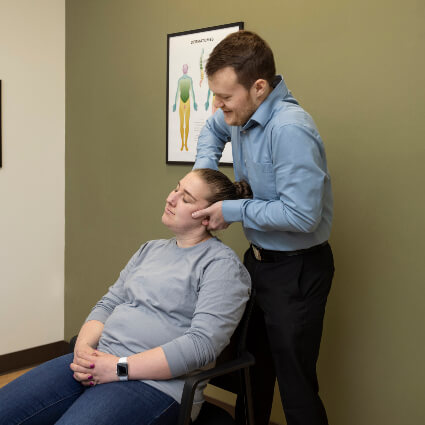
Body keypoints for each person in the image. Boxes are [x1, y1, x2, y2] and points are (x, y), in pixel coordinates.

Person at [0, 169, 252, 425]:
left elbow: (201, 346)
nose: (171, 198)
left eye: (185, 198)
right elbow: (108, 304)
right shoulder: (150, 250)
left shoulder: (222, 266)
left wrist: (117, 368)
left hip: (154, 386)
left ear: (208, 216)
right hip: (98, 361)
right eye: (176, 188)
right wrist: (83, 349)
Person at [192, 30, 335, 425]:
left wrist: (232, 210)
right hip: (256, 264)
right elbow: (211, 131)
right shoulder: (239, 113)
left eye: (224, 97)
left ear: (259, 87)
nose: (218, 107)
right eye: (215, 97)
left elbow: (302, 215)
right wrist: (204, 178)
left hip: (297, 271)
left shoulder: (290, 129)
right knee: (249, 372)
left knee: (296, 387)